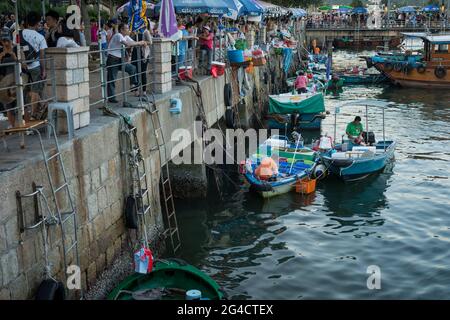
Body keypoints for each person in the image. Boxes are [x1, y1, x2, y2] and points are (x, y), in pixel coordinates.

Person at [106, 23, 147, 103]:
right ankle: (111, 98)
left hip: (120, 59)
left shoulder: (126, 36)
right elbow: (128, 44)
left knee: (132, 68)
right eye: (127, 29)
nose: (129, 30)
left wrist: (142, 43)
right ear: (122, 30)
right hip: (112, 59)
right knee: (112, 79)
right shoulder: (118, 35)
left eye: (128, 28)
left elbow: (133, 43)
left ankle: (133, 85)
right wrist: (141, 42)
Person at [22, 12, 48, 120]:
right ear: (37, 23)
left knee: (26, 90)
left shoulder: (18, 33)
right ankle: (33, 114)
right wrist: (44, 70)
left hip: (22, 67)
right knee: (35, 90)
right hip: (36, 66)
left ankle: (26, 112)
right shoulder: (40, 37)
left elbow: (17, 49)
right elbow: (42, 56)